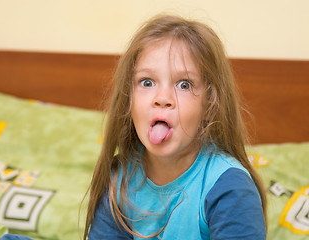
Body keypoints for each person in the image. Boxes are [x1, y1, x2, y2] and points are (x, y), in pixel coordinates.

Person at [84, 14, 267, 240]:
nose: (162, 98)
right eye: (147, 82)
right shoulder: (120, 179)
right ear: (128, 99)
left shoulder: (230, 189)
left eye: (184, 84)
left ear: (210, 105)